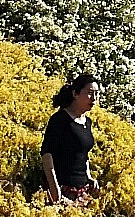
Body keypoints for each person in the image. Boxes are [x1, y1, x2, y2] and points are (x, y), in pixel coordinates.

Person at [41, 72, 102, 205]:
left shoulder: (87, 122)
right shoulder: (60, 120)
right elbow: (47, 155)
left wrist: (89, 177)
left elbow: (83, 154)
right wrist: (54, 189)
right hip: (63, 189)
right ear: (75, 94)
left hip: (82, 190)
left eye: (97, 94)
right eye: (90, 93)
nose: (94, 98)